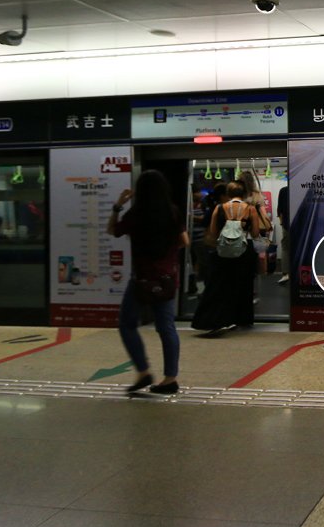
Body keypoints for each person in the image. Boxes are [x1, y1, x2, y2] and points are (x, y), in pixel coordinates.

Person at [108, 169, 188, 395]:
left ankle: (143, 372)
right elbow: (185, 241)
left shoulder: (136, 213)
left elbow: (112, 230)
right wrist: (168, 254)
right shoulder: (172, 212)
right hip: (167, 279)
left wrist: (118, 206)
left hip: (142, 279)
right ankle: (170, 378)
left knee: (127, 323)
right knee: (166, 328)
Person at [196, 181, 261, 336]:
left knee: (220, 285)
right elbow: (256, 233)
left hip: (223, 252)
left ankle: (217, 319)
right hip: (244, 250)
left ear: (228, 194)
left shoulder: (219, 208)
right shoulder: (250, 209)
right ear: (243, 193)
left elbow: (212, 232)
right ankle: (242, 319)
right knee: (243, 285)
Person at [276, 184, 290, 284]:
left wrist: (282, 222)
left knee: (285, 248)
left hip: (287, 224)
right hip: (302, 224)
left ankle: (286, 274)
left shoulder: (284, 190)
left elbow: (280, 209)